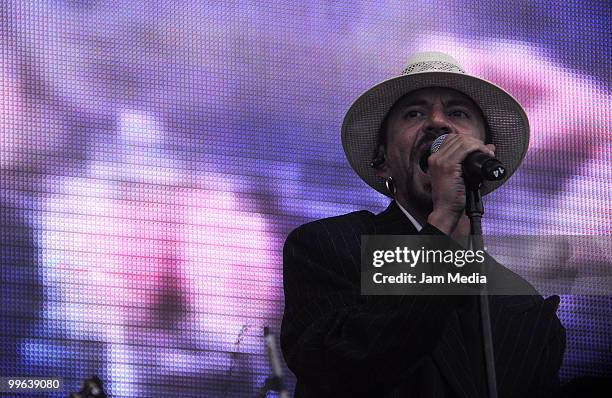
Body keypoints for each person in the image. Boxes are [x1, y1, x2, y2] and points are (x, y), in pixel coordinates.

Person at [280, 52, 566, 397]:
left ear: (487, 155)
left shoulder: (524, 304)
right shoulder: (331, 246)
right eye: (414, 113)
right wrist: (443, 219)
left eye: (458, 113)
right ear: (382, 162)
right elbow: (345, 365)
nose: (437, 123)